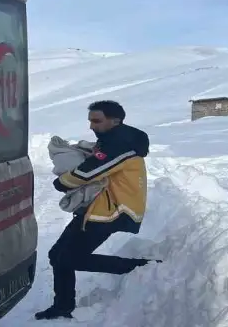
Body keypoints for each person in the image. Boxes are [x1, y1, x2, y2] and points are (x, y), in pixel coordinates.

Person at [36, 100, 157, 320]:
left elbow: (88, 173)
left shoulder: (121, 145)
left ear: (115, 121)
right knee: (57, 255)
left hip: (115, 211)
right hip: (100, 207)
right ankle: (62, 306)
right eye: (90, 120)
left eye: (97, 121)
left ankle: (140, 267)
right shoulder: (112, 139)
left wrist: (62, 182)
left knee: (70, 258)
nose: (91, 126)